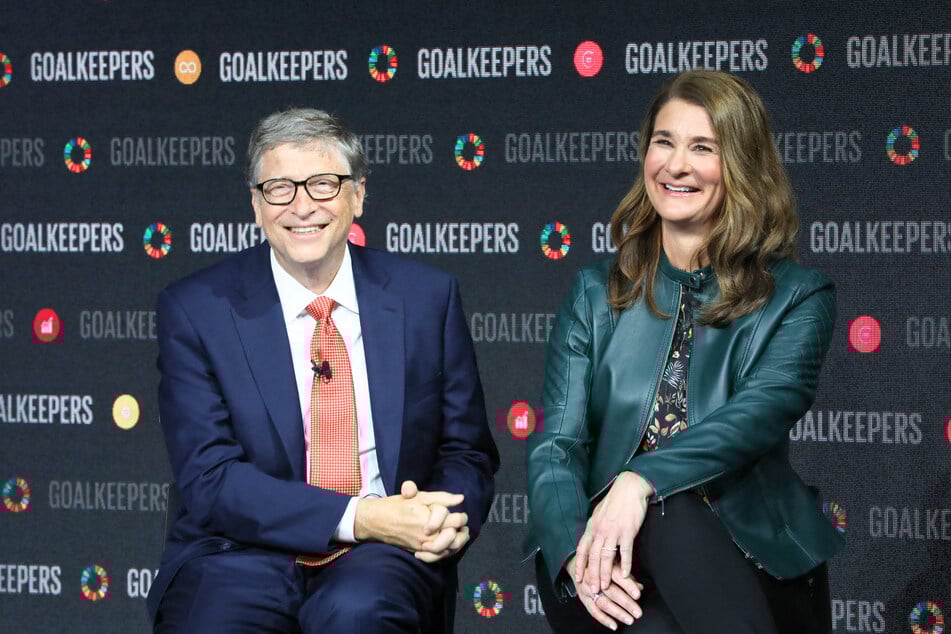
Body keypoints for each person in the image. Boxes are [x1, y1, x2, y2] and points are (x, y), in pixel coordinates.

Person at [147, 108, 499, 633]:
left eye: (322, 184)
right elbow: (211, 479)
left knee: (359, 615)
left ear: (358, 194)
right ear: (256, 205)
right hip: (237, 551)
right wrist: (359, 516)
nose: (302, 206)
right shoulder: (196, 310)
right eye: (280, 189)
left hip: (382, 552)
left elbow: (466, 452)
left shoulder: (426, 298)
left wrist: (439, 519)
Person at [525, 70, 844, 634]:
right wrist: (576, 551)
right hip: (606, 557)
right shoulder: (595, 292)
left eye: (703, 148)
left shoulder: (797, 296)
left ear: (742, 165)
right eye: (664, 142)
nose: (676, 165)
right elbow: (557, 445)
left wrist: (639, 481)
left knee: (670, 515)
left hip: (747, 556)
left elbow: (756, 416)